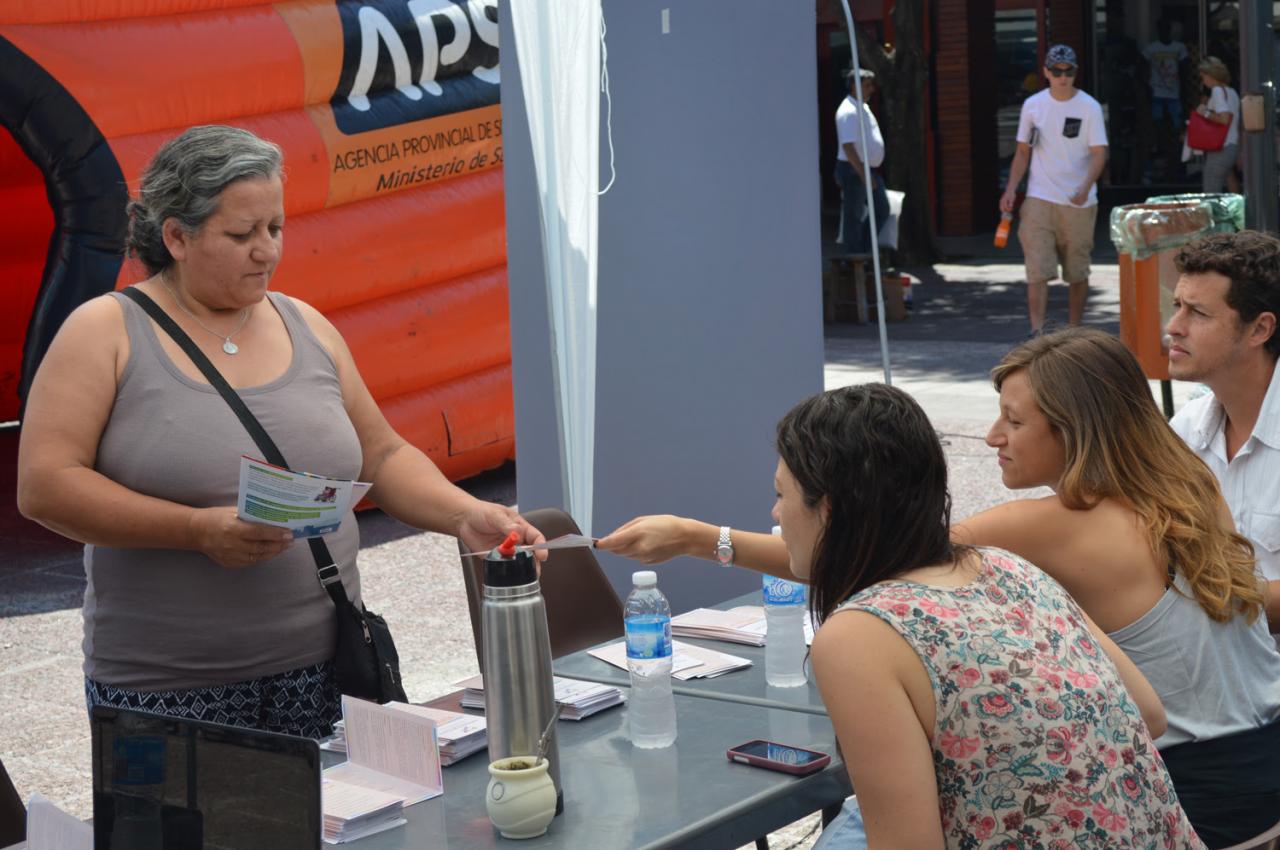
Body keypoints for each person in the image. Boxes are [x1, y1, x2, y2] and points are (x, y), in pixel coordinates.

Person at [599, 330, 1280, 847]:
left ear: (1077, 430)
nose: (992, 436)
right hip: (1242, 774)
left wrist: (698, 537)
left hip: (1204, 791)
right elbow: (1146, 712)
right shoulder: (1180, 490)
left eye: (1014, 421)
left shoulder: (1036, 535)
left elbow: (877, 551)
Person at [16, 125, 545, 740]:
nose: (266, 251)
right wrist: (195, 530)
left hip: (329, 671)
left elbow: (382, 455)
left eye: (275, 228)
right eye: (242, 234)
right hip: (168, 690)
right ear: (177, 237)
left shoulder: (305, 323)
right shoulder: (104, 331)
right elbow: (46, 486)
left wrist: (463, 514)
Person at [784, 385, 1202, 846]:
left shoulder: (857, 635)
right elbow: (1148, 714)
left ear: (828, 509)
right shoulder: (1008, 567)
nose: (776, 512)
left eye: (781, 494)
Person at [1166, 231, 1280, 627]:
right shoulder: (1186, 429)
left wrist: (1207, 604)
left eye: (1198, 313)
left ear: (1259, 330)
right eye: (1177, 306)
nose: (1173, 326)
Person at [1000, 45, 1108, 334]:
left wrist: (1086, 186)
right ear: (1046, 72)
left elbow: (1099, 153)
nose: (1063, 77)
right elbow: (1022, 151)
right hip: (1040, 196)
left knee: (1077, 271)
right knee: (1037, 268)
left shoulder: (1089, 106)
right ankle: (1037, 332)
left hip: (1079, 201)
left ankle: (1073, 330)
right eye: (1057, 71)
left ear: (1075, 72)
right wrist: (1011, 189)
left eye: (1068, 71)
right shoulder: (1033, 105)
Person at [834, 67, 890, 256]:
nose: (871, 89)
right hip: (854, 169)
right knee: (854, 215)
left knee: (882, 209)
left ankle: (864, 251)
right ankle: (854, 257)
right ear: (854, 86)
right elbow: (848, 147)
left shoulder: (862, 106)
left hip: (866, 169)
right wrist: (863, 174)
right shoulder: (848, 111)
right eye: (867, 85)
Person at [1194, 57, 1241, 193]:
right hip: (1231, 146)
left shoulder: (1217, 91)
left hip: (1221, 147)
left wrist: (1205, 112)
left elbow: (1224, 119)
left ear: (1210, 75)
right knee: (1229, 178)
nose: (1203, 81)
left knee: (1211, 191)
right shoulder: (1232, 92)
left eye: (1203, 76)